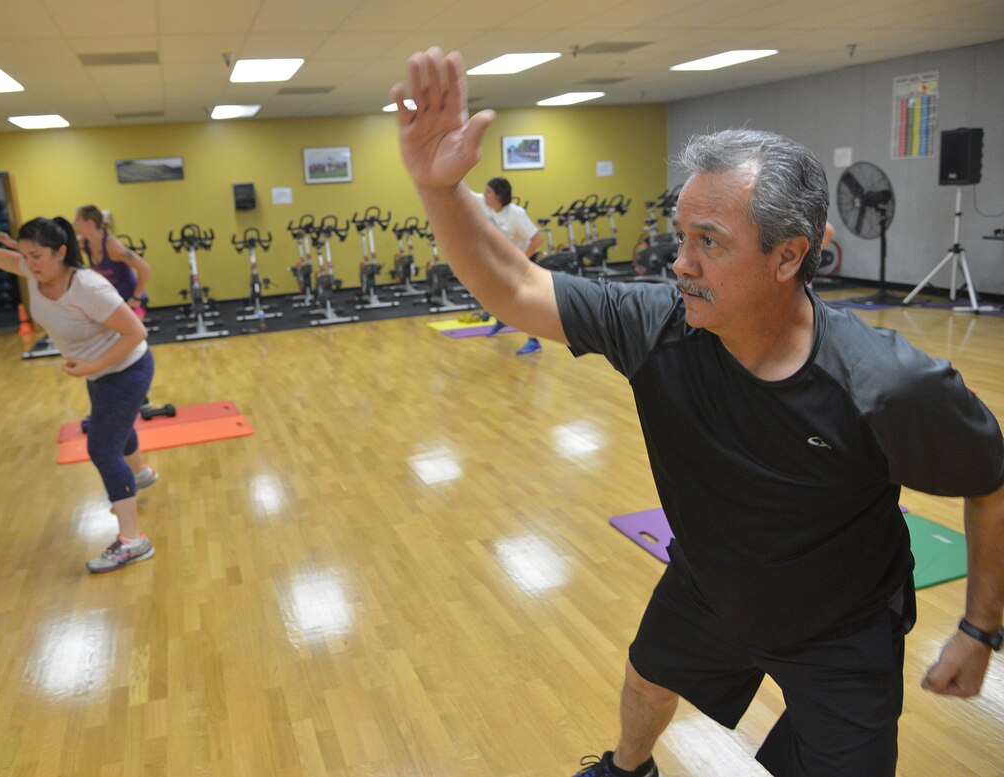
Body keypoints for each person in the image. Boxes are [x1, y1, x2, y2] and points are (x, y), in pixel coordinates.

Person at [390, 49, 1004, 777]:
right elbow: (515, 284)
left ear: (788, 257)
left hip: (842, 623)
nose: (681, 261)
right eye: (682, 235)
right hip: (710, 581)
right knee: (647, 677)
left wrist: (979, 627)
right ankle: (628, 770)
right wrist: (439, 189)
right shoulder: (658, 324)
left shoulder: (888, 385)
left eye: (708, 242)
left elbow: (990, 479)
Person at [0, 218, 161, 574]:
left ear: (61, 252)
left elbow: (136, 331)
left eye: (37, 255)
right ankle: (140, 474)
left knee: (102, 447)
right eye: (25, 255)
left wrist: (92, 365)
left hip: (127, 368)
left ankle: (133, 542)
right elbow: (0, 258)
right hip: (101, 369)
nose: (29, 263)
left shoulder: (87, 287)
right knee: (114, 426)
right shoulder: (36, 272)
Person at [474, 177, 545, 355]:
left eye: (488, 192)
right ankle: (502, 319)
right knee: (493, 292)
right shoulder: (486, 205)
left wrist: (522, 259)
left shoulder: (516, 213)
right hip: (505, 261)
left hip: (524, 262)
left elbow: (537, 239)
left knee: (524, 304)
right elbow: (464, 192)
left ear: (499, 196)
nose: (484, 195)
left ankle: (534, 341)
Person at [72, 205, 151, 317]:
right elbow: (64, 247)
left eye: (77, 220)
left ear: (89, 223)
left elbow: (144, 268)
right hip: (114, 301)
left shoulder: (112, 246)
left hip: (134, 301)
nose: (74, 223)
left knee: (134, 333)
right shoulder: (84, 244)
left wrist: (136, 297)